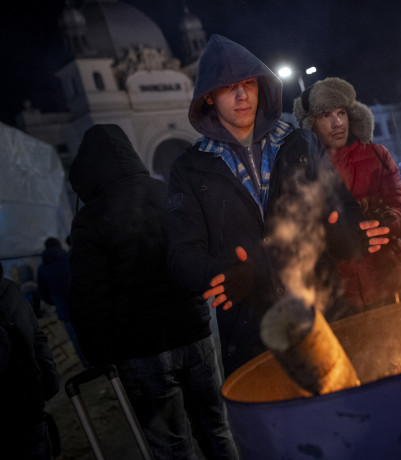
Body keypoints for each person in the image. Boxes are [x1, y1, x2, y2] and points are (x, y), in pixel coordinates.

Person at [167, 35, 368, 379]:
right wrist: (221, 273)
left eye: (248, 83)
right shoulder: (190, 167)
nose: (242, 95)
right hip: (252, 333)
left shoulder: (299, 143)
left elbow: (342, 208)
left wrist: (344, 232)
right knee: (283, 428)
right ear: (209, 98)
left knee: (349, 413)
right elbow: (182, 254)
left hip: (324, 314)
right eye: (228, 87)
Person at [68, 124, 237, 459]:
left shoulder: (92, 218)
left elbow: (89, 297)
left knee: (172, 445)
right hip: (195, 332)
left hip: (142, 349)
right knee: (217, 430)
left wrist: (98, 354)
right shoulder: (166, 194)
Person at [292, 77, 401, 311]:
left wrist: (387, 222)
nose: (337, 122)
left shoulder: (377, 155)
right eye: (325, 115)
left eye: (341, 112)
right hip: (341, 295)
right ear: (310, 124)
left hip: (391, 280)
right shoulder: (303, 169)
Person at [0, 262, 60, 459]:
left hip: (16, 416)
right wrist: (48, 377)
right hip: (31, 405)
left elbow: (36, 337)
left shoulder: (11, 291)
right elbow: (37, 337)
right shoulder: (10, 289)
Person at [37, 236, 88, 367]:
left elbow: (43, 293)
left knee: (76, 339)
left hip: (64, 310)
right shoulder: (69, 258)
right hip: (82, 304)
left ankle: (88, 365)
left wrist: (56, 302)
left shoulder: (42, 268)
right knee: (91, 331)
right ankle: (103, 360)